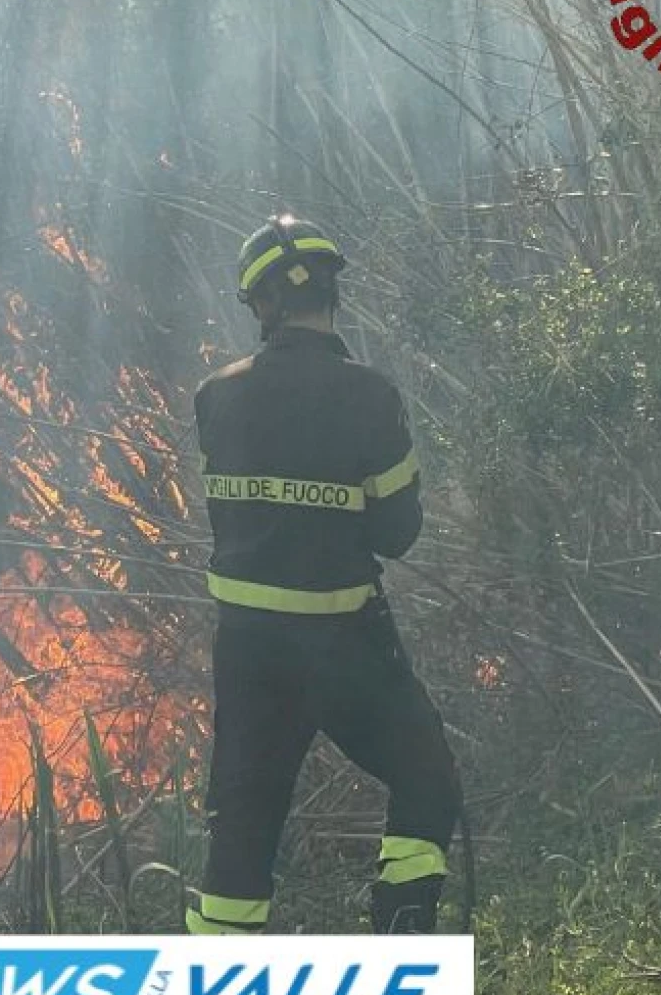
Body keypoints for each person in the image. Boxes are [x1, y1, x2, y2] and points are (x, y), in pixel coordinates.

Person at [185, 215, 462, 936]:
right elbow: (398, 533)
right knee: (426, 777)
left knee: (242, 833)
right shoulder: (370, 397)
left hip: (246, 653)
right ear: (332, 295)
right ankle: (399, 960)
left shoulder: (216, 395)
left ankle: (211, 993)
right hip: (343, 646)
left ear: (262, 306)